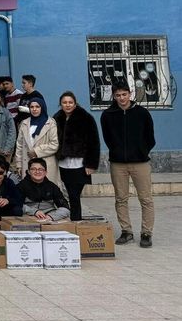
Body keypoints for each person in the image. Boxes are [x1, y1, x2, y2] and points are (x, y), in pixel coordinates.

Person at [100, 82, 156, 248]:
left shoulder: (142, 113)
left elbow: (150, 137)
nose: (121, 98)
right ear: (114, 96)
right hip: (118, 164)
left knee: (146, 199)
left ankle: (146, 233)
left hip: (140, 163)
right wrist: (117, 150)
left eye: (124, 94)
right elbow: (108, 138)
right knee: (121, 198)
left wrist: (141, 151)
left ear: (130, 94)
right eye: (118, 95)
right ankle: (126, 231)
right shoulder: (108, 115)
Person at [53, 91, 100, 222]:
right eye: (64, 102)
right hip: (63, 163)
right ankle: (75, 219)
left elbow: (93, 141)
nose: (67, 105)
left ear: (75, 103)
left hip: (80, 163)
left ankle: (76, 220)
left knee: (74, 194)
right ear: (60, 104)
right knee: (70, 193)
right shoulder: (56, 118)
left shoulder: (85, 118)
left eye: (70, 102)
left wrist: (91, 164)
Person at [14, 97, 60, 186]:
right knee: (30, 191)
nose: (34, 109)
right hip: (27, 162)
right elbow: (19, 145)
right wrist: (19, 165)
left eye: (37, 107)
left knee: (47, 190)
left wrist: (36, 151)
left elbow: (54, 144)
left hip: (46, 162)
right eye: (32, 107)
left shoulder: (50, 123)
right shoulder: (24, 123)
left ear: (42, 108)